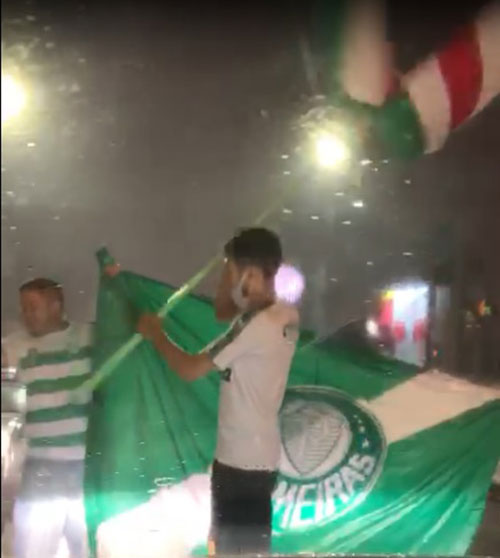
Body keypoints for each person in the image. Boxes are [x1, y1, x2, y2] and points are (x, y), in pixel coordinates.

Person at [135, 227, 299, 556]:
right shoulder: (281, 314)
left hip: (241, 467)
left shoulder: (258, 326)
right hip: (251, 460)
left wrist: (156, 334)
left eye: (232, 271)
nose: (226, 278)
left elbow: (190, 369)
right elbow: (223, 311)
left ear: (251, 274)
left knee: (235, 552)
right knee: (235, 548)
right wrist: (235, 277)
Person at [2, 278, 94, 558]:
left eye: (33, 307)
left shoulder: (88, 338)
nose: (26, 315)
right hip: (40, 470)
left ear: (57, 306)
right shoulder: (13, 348)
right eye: (24, 308)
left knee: (87, 549)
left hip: (86, 470)